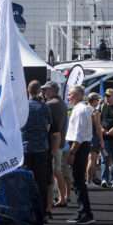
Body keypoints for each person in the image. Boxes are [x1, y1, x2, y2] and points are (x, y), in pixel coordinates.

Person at [21, 80, 52, 221]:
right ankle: (42, 213)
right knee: (41, 183)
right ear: (39, 91)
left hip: (25, 148)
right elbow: (48, 126)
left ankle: (25, 212)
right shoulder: (44, 107)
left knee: (25, 182)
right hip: (40, 147)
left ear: (28, 91)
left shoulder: (22, 107)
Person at [65, 85, 95, 224]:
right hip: (80, 146)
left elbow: (78, 135)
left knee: (78, 181)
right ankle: (83, 212)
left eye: (70, 94)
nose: (68, 97)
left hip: (79, 147)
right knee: (77, 181)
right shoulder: (81, 109)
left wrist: (72, 153)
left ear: (77, 95)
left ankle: (85, 214)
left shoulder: (80, 110)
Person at [43, 80, 69, 212]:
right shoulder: (62, 103)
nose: (44, 92)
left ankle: (60, 198)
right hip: (59, 143)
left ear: (52, 91)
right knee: (57, 171)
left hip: (53, 144)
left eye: (46, 90)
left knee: (55, 172)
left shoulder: (51, 104)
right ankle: (62, 197)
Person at [86, 92, 105, 187]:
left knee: (87, 160)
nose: (98, 102)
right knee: (92, 160)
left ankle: (89, 179)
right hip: (92, 137)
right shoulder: (95, 112)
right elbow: (98, 127)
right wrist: (102, 141)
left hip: (83, 137)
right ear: (93, 101)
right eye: (97, 100)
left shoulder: (82, 109)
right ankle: (89, 181)